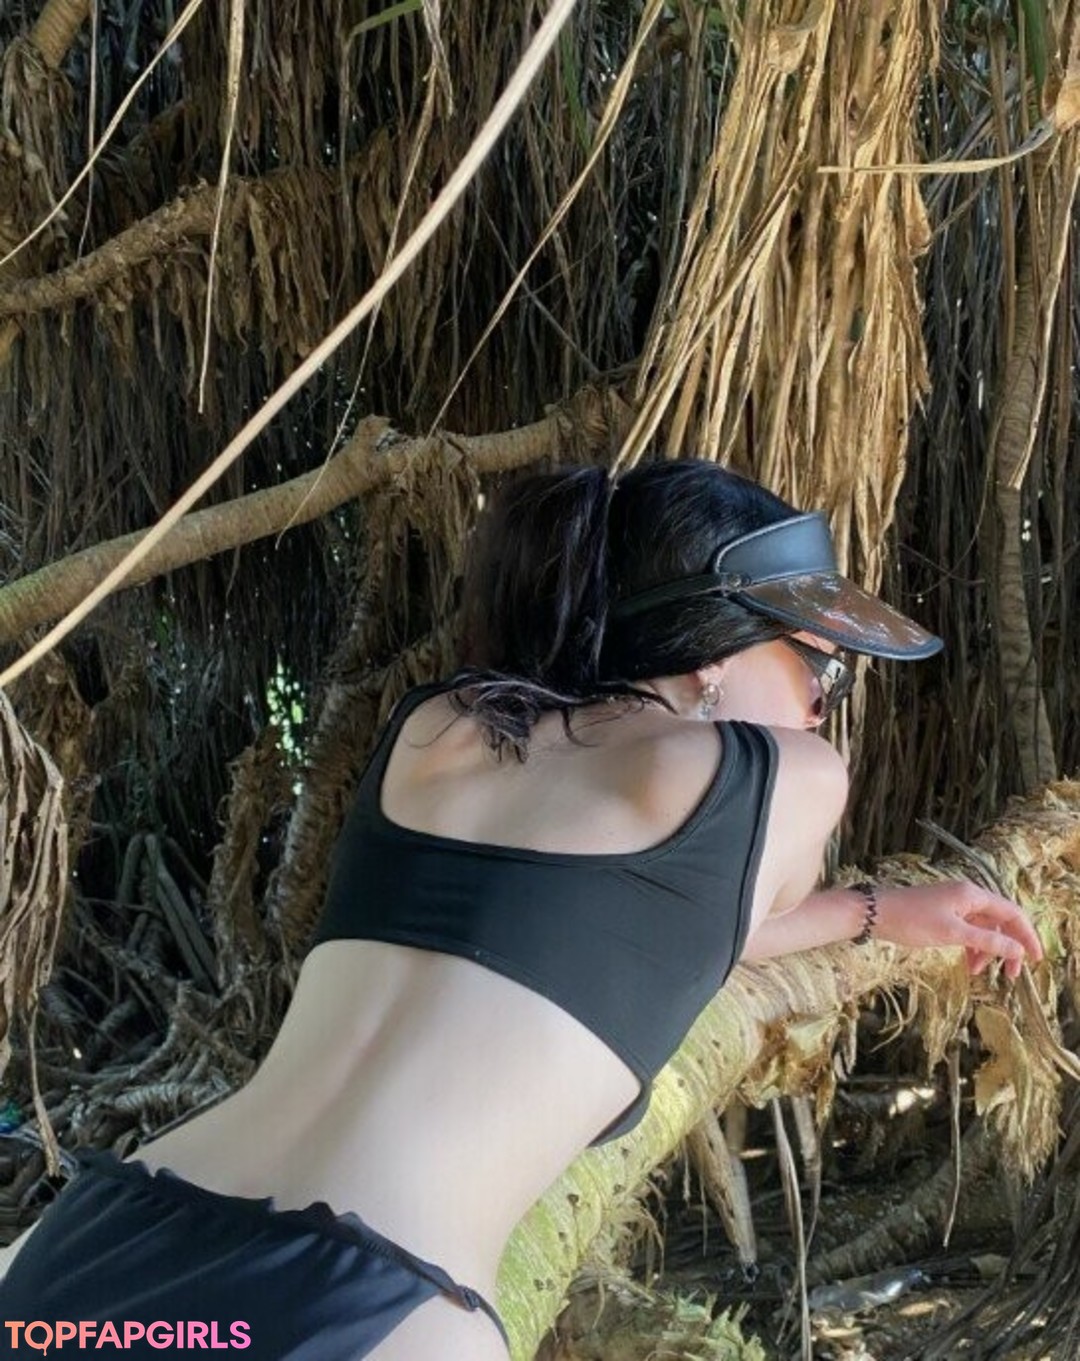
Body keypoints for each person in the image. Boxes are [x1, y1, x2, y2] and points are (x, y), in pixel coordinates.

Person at [0, 461, 1042, 1360]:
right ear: (715, 656)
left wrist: (877, 909)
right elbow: (703, 921)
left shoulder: (442, 727)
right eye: (819, 664)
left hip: (116, 1225)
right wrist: (874, 901)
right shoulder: (793, 774)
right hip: (379, 1296)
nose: (822, 700)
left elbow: (624, 928)